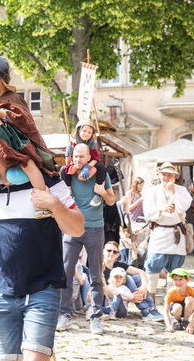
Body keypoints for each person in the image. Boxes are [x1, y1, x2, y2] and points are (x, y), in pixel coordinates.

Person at [0, 132, 83, 360]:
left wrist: (54, 205)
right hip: (0, 292)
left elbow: (77, 228)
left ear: (8, 153)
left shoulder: (48, 181)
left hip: (42, 289)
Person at [0, 55, 56, 226]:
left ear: (2, 79)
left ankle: (42, 204)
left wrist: (5, 115)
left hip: (15, 151)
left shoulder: (14, 99)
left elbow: (26, 121)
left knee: (29, 166)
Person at [58, 142, 116, 335]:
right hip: (71, 227)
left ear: (88, 157)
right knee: (66, 272)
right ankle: (65, 315)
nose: (77, 160)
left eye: (81, 157)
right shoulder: (68, 173)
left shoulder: (100, 174)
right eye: (75, 156)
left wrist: (102, 193)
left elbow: (112, 200)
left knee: (95, 274)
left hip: (94, 227)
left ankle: (95, 318)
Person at [142, 162, 192, 302]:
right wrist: (163, 209)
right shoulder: (152, 191)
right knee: (153, 265)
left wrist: (172, 193)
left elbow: (183, 207)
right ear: (159, 175)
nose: (166, 177)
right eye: (164, 175)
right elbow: (148, 213)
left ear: (174, 176)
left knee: (175, 268)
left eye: (169, 175)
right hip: (160, 232)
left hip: (176, 233)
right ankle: (150, 300)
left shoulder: (181, 190)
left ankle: (172, 301)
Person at [101, 241, 164, 322]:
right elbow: (106, 292)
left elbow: (141, 272)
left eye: (114, 252)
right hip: (110, 303)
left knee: (137, 277)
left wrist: (144, 286)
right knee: (127, 277)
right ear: (103, 251)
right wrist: (130, 298)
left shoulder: (119, 265)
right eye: (109, 250)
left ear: (117, 255)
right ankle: (145, 310)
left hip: (123, 298)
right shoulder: (99, 267)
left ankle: (151, 309)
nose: (111, 253)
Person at [62, 120, 107, 206]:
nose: (86, 134)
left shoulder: (93, 144)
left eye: (89, 132)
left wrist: (88, 166)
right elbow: (68, 162)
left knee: (101, 166)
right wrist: (67, 154)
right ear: (79, 130)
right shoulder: (72, 143)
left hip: (90, 163)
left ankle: (98, 193)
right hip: (75, 164)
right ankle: (69, 192)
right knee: (63, 169)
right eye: (84, 131)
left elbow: (96, 158)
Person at [163, 268, 194, 334]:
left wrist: (190, 325)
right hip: (176, 309)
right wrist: (168, 325)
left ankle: (185, 321)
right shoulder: (171, 291)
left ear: (187, 280)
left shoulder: (192, 291)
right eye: (175, 280)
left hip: (187, 310)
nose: (178, 282)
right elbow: (165, 310)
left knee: (190, 299)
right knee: (177, 307)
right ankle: (177, 319)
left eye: (180, 279)